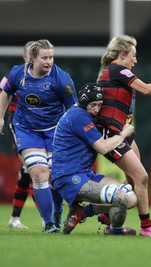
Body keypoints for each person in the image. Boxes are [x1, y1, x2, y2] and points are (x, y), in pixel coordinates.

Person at [76, 34, 151, 237]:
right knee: (141, 177)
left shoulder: (111, 72)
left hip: (121, 132)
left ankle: (97, 214)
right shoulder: (118, 69)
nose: (136, 60)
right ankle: (147, 227)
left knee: (136, 184)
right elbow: (145, 89)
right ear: (122, 55)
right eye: (133, 56)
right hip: (112, 132)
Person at [0, 39, 77, 233]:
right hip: (26, 129)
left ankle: (58, 214)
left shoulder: (62, 79)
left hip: (55, 131)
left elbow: (73, 110)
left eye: (51, 57)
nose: (49, 61)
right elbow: (5, 92)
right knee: (38, 173)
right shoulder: (18, 72)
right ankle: (48, 223)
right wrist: (0, 117)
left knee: (55, 176)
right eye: (45, 57)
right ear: (33, 59)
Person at [52, 84, 138, 235]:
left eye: (99, 105)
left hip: (85, 173)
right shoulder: (79, 116)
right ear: (84, 102)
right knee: (122, 198)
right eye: (93, 105)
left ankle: (82, 212)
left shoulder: (81, 113)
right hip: (69, 177)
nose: (97, 109)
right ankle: (115, 231)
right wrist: (123, 134)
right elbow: (103, 148)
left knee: (131, 197)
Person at [0, 41, 43, 229]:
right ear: (26, 56)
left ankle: (14, 219)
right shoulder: (16, 74)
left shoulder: (45, 77)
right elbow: (4, 93)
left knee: (26, 173)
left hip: (36, 127)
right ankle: (46, 217)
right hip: (17, 125)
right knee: (34, 170)